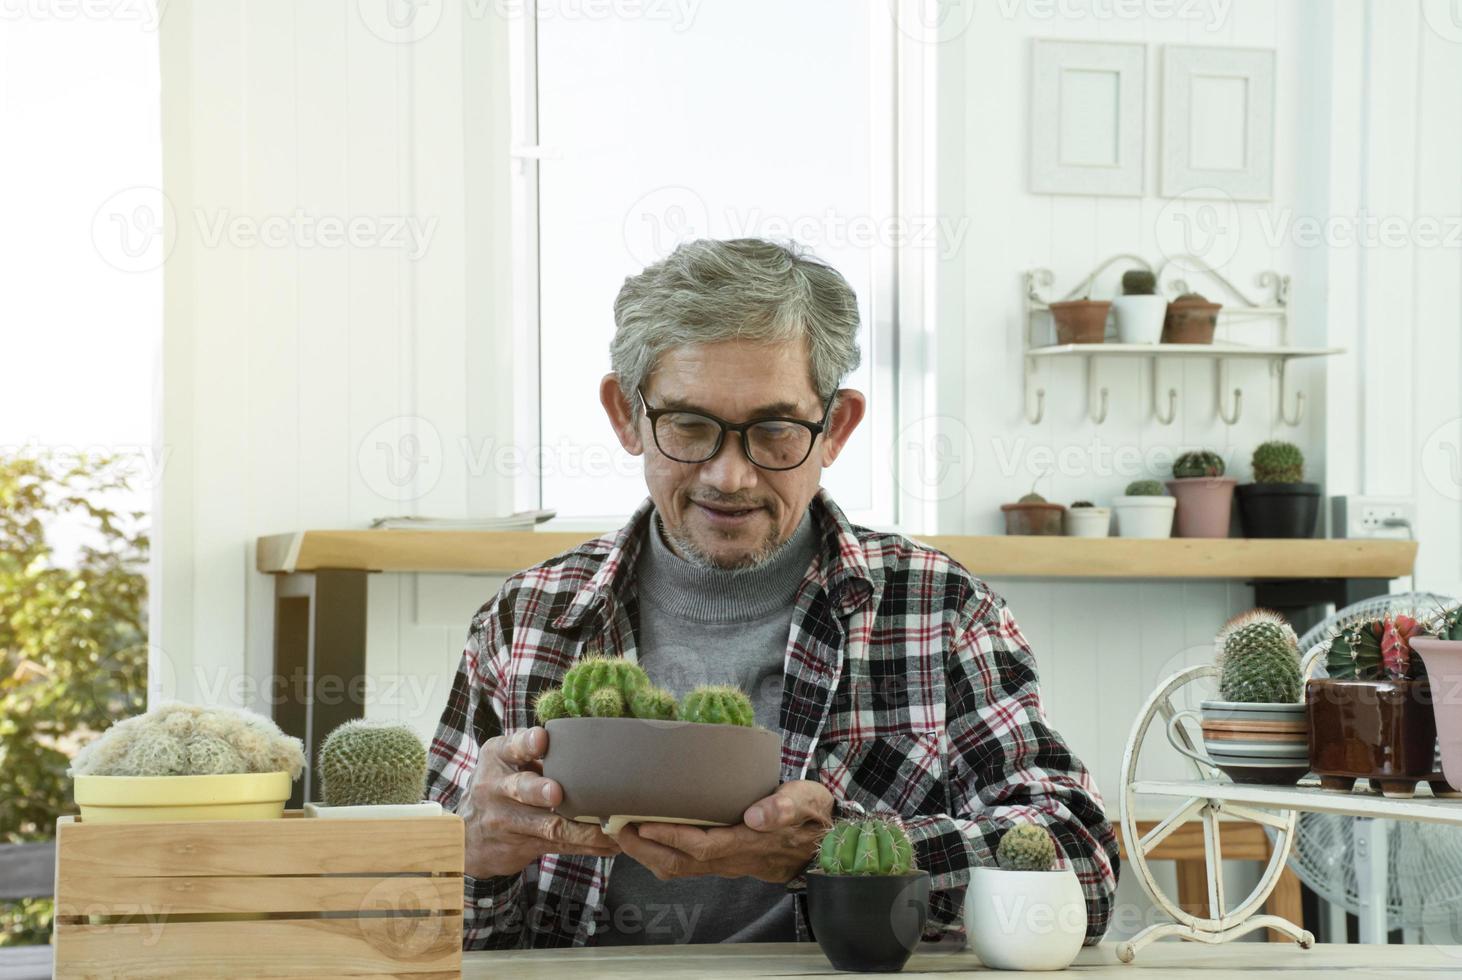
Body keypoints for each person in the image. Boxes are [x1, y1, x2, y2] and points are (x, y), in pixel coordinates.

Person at [425, 238, 1118, 949]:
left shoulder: (941, 612)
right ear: (626, 417)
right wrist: (471, 857)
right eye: (690, 427)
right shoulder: (526, 619)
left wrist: (835, 852)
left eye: (776, 431)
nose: (730, 476)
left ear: (836, 427)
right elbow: (404, 921)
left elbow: (1082, 868)